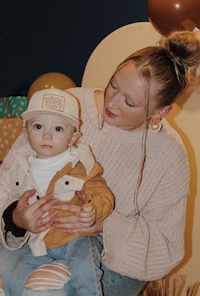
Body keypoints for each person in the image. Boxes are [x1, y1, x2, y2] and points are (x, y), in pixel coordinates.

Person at [0, 30, 200, 296]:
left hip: (106, 261)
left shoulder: (170, 157)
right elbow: (8, 176)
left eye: (129, 102)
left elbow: (167, 249)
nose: (112, 102)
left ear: (160, 112)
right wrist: (16, 217)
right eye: (114, 84)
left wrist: (103, 223)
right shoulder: (71, 105)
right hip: (32, 240)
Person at [0, 88, 114, 296]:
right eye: (38, 126)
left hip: (77, 238)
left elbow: (102, 193)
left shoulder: (81, 164)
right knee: (14, 281)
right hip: (39, 244)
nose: (47, 135)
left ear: (73, 137)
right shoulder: (19, 165)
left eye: (59, 129)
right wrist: (16, 216)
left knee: (84, 269)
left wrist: (94, 209)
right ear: (25, 133)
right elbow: (2, 194)